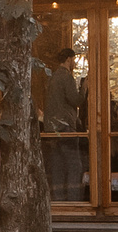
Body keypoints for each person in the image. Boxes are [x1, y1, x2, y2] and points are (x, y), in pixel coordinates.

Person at [37, 47, 87, 201]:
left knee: (57, 166)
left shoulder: (52, 77)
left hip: (51, 128)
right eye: (73, 60)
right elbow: (75, 100)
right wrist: (84, 87)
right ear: (68, 59)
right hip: (65, 126)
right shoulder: (66, 77)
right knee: (74, 166)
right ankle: (74, 201)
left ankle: (57, 201)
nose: (74, 63)